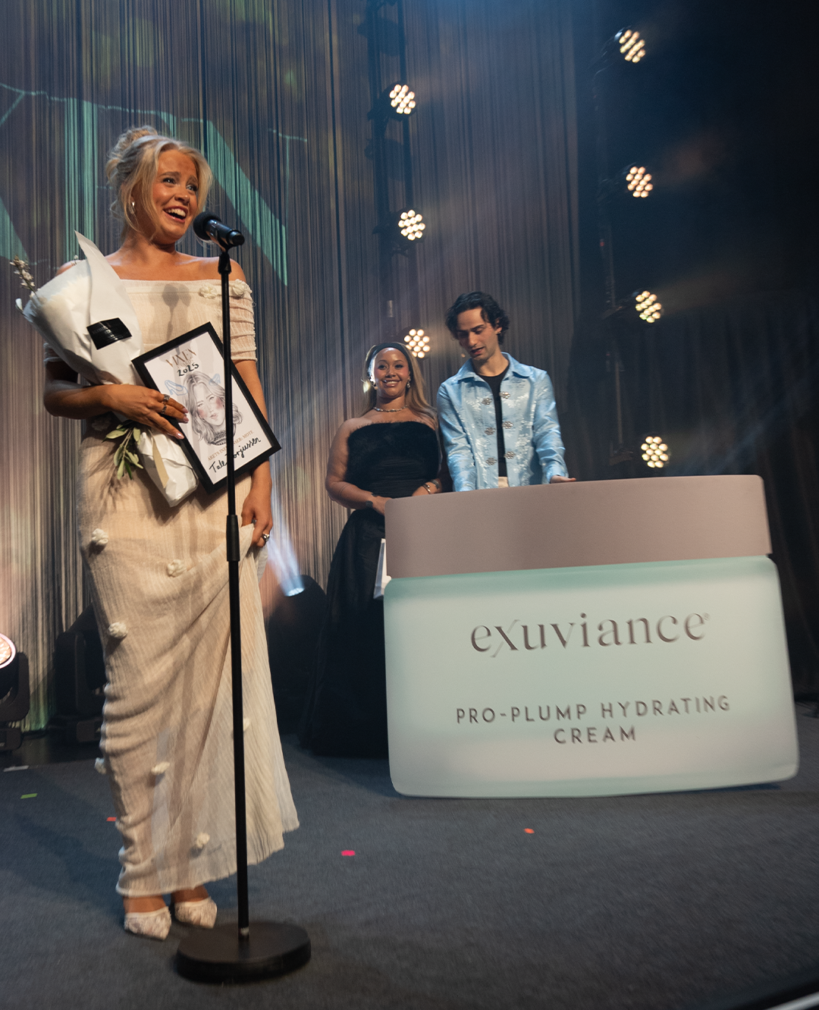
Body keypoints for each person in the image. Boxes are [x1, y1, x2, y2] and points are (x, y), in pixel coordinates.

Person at [41, 126, 298, 940]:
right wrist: (108, 398)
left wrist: (264, 482)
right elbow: (55, 393)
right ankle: (141, 873)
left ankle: (187, 864)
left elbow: (248, 381)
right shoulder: (82, 284)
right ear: (131, 189)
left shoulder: (221, 273)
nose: (184, 195)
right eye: (169, 181)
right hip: (124, 493)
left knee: (203, 692)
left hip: (214, 487)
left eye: (192, 185)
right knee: (140, 683)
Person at [299, 342, 441, 758]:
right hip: (366, 538)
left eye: (398, 365)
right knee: (364, 628)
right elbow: (333, 484)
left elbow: (449, 470)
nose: (390, 371)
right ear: (371, 374)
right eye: (382, 365)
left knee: (420, 629)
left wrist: (427, 490)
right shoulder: (352, 426)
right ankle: (366, 732)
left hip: (421, 528)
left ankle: (424, 725)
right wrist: (373, 501)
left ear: (410, 374)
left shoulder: (431, 421)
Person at [437, 291, 575, 489]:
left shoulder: (535, 380)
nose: (471, 341)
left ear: (497, 325)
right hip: (482, 493)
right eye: (463, 334)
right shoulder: (450, 391)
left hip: (530, 490)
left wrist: (555, 473)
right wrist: (466, 495)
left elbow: (547, 433)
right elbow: (458, 452)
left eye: (478, 330)